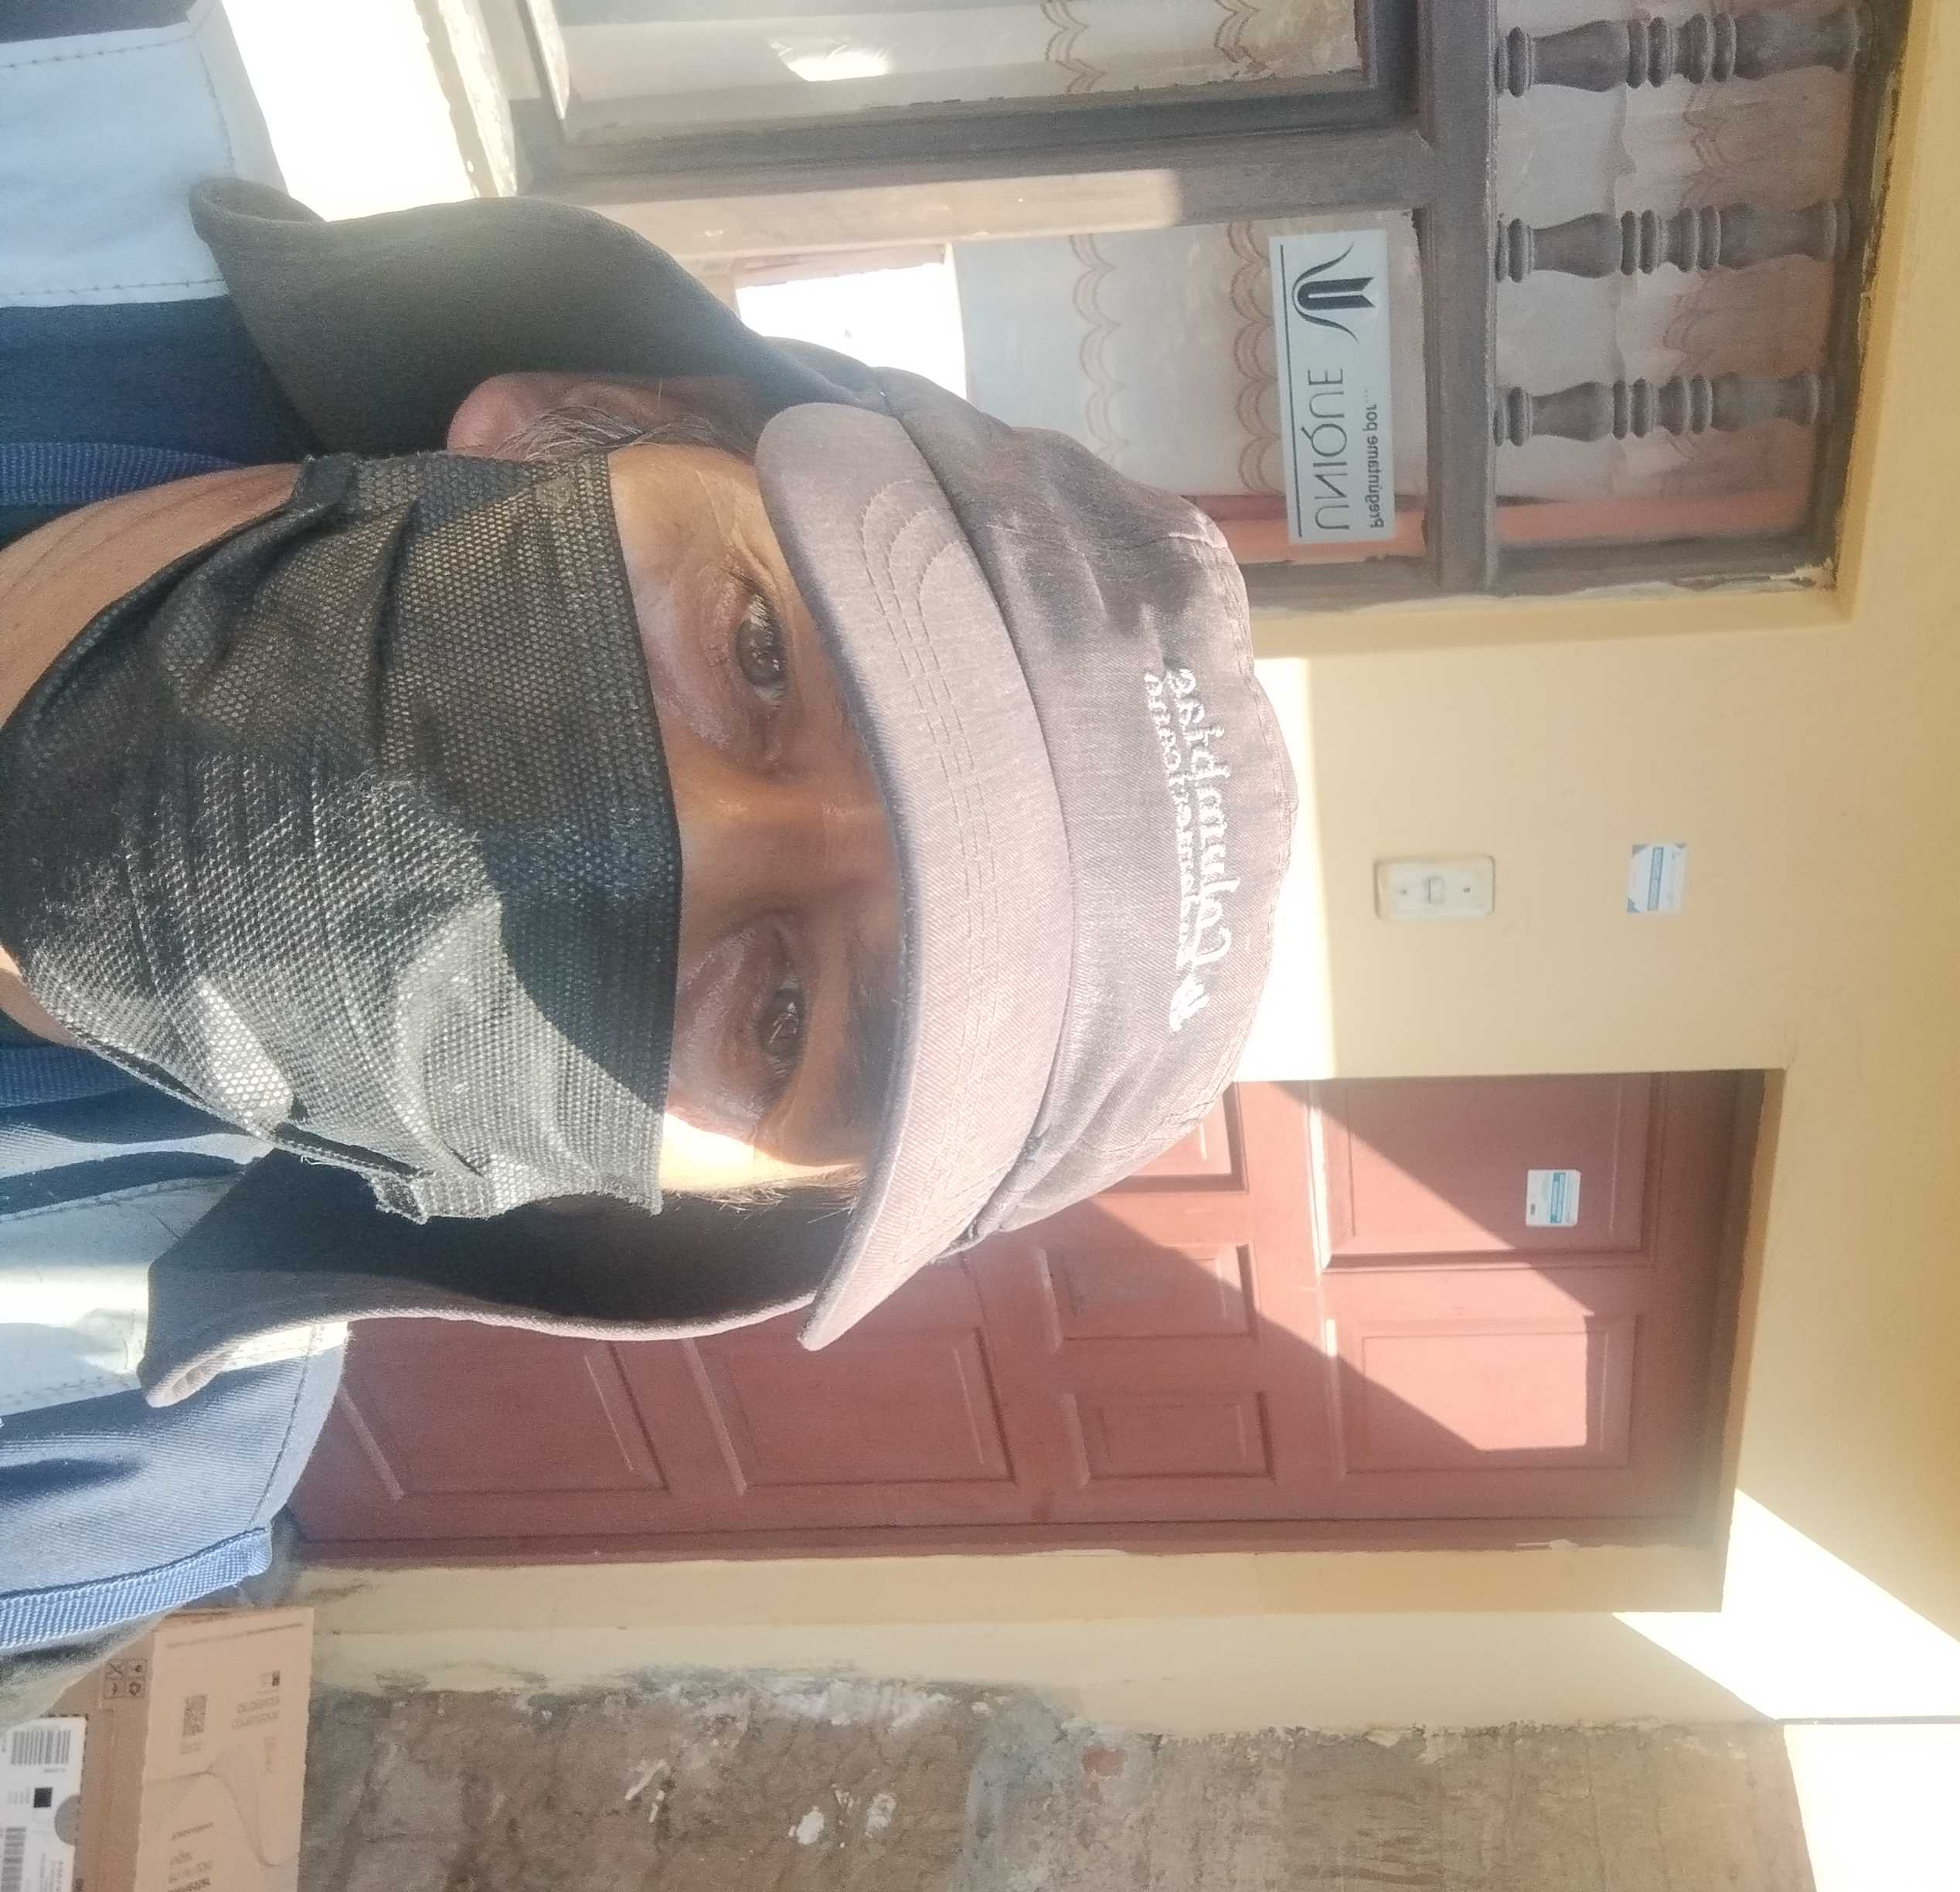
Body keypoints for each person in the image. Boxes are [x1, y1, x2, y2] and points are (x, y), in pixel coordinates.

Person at [0, 5, 1294, 1715]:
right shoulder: (61, 108)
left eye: (783, 1023)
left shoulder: (83, 1482)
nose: (690, 832)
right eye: (758, 649)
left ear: (630, 1212)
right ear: (584, 416)